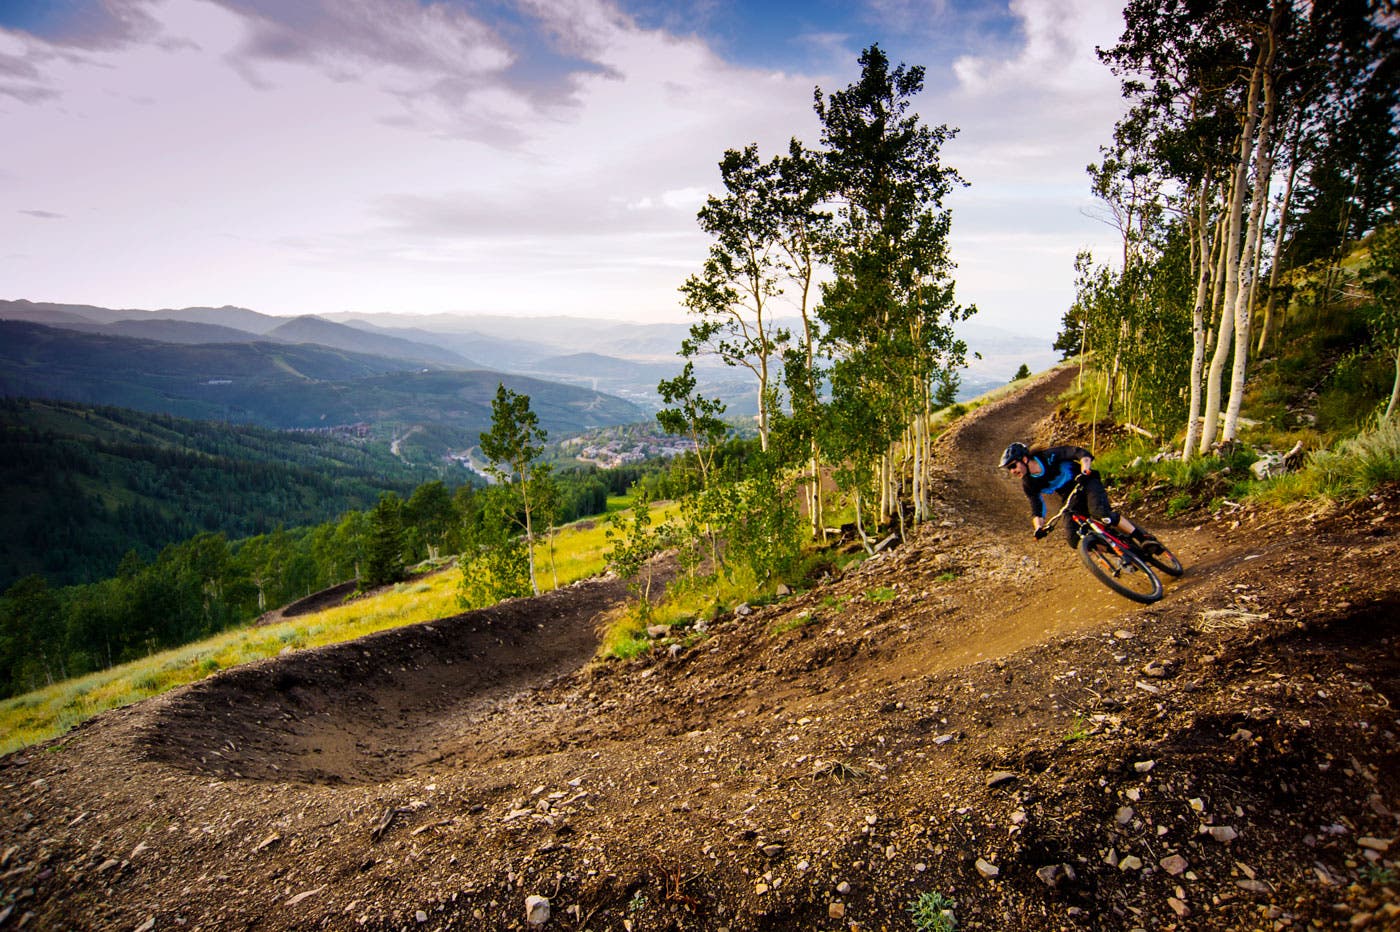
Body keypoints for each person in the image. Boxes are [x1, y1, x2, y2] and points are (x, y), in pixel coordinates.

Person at [998, 441, 1160, 551]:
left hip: (1086, 482)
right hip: (1070, 497)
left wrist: (1085, 468)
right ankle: (1120, 551)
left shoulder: (1049, 456)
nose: (1012, 471)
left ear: (1025, 459)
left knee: (1101, 514)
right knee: (1074, 540)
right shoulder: (1029, 483)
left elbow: (1079, 453)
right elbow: (1037, 507)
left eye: (1013, 465)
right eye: (1009, 469)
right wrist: (1038, 528)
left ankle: (1143, 537)